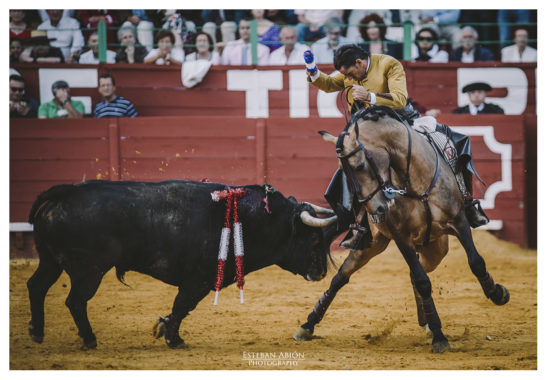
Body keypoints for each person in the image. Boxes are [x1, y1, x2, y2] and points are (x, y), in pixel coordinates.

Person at [305, 44, 489, 249]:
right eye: (345, 75)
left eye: (349, 73)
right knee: (349, 168)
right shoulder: (350, 74)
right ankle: (358, 225)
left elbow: (400, 99)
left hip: (401, 125)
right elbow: (329, 84)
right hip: (369, 133)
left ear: (359, 62)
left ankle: (468, 203)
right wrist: (313, 71)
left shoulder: (388, 64)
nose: (349, 78)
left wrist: (369, 97)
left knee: (457, 142)